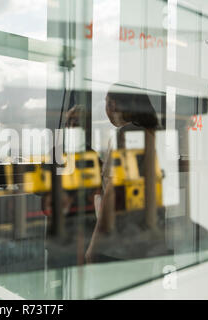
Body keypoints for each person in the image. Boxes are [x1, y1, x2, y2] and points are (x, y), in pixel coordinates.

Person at [85, 83, 159, 263]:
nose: (106, 110)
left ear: (115, 105)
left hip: (117, 248)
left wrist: (93, 247)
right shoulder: (151, 134)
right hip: (144, 244)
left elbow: (112, 195)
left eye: (107, 103)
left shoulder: (127, 134)